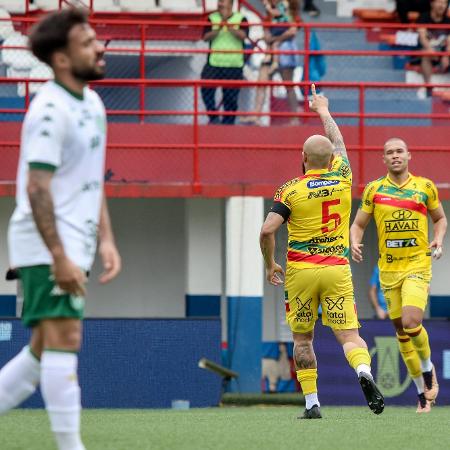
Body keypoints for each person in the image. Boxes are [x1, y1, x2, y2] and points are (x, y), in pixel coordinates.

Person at [0, 9, 121, 450]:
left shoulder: (92, 103)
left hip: (75, 241)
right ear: (63, 59)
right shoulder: (49, 109)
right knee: (66, 338)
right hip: (47, 244)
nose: (100, 47)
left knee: (39, 351)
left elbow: (91, 179)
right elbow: (36, 187)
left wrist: (106, 237)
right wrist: (59, 256)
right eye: (87, 42)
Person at [260, 84, 384, 419]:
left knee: (303, 339)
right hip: (336, 269)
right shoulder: (344, 177)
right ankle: (364, 373)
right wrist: (323, 110)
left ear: (303, 159)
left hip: (300, 271)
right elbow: (340, 143)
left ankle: (312, 404)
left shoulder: (290, 189)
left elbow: (267, 230)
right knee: (349, 335)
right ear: (331, 160)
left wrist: (271, 263)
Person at [350, 137, 447, 413]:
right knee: (402, 334)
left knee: (412, 321)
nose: (395, 156)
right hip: (388, 269)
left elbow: (439, 218)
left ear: (409, 155)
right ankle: (421, 395)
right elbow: (358, 224)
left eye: (399, 151)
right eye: (390, 152)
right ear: (384, 159)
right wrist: (353, 241)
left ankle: (429, 372)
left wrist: (438, 239)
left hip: (417, 264)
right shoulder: (374, 190)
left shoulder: (424, 187)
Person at [241, 0, 299, 126]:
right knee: (261, 83)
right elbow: (267, 34)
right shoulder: (269, 15)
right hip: (270, 52)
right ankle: (256, 116)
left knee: (288, 85)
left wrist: (275, 40)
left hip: (285, 50)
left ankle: (295, 118)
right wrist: (270, 39)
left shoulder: (287, 10)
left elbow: (293, 30)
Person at [201, 0, 248, 125]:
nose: (220, 4)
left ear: (231, 4)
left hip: (234, 64)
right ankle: (213, 117)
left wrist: (228, 25)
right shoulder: (212, 18)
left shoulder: (241, 18)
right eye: (219, 2)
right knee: (206, 89)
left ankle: (228, 124)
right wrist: (220, 27)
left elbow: (243, 35)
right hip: (214, 62)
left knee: (231, 97)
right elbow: (205, 37)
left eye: (223, 2)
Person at [416, 0, 450, 98]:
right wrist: (431, 50)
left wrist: (446, 54)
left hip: (443, 54)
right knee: (426, 53)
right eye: (439, 2)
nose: (442, 5)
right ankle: (428, 87)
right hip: (429, 51)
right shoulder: (424, 17)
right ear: (432, 3)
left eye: (444, 3)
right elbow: (422, 37)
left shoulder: (448, 20)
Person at [262, 0, 290, 75]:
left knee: (272, 41)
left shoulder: (283, 3)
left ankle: (273, 61)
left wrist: (268, 8)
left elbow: (277, 13)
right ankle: (271, 58)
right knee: (272, 42)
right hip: (277, 27)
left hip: (281, 27)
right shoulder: (277, 4)